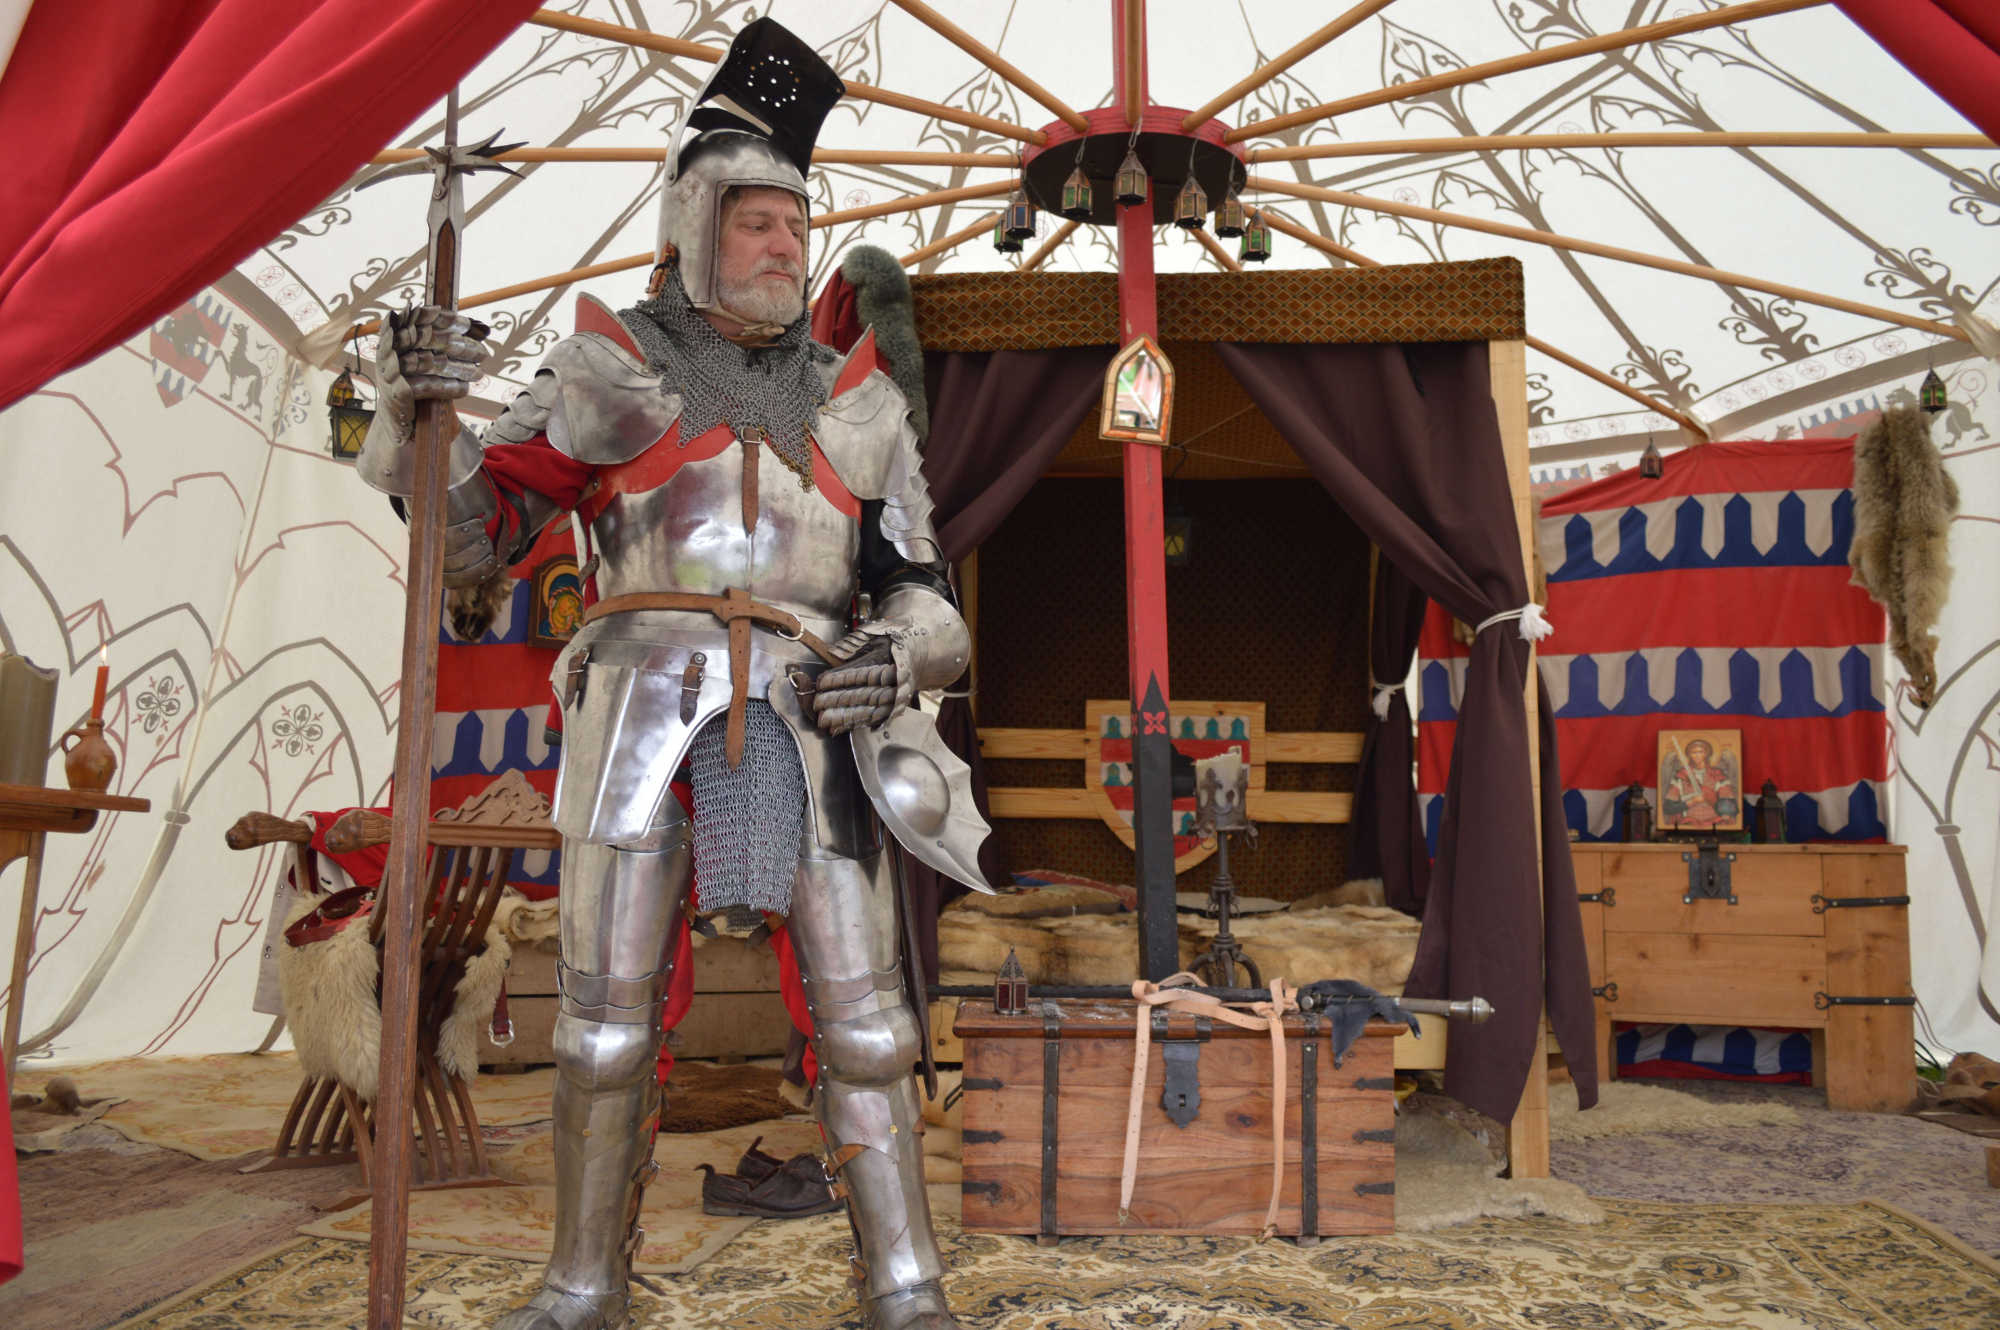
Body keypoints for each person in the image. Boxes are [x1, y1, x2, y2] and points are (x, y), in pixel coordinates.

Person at [354, 20, 981, 1330]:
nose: (785, 245)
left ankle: (905, 1283)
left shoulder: (862, 403)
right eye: (755, 221)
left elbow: (928, 598)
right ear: (692, 224)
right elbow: (469, 541)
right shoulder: (608, 369)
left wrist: (893, 651)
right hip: (639, 704)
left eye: (796, 223)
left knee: (868, 1029)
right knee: (602, 1028)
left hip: (813, 713)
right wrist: (420, 418)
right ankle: (583, 1285)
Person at [1662, 738, 1738, 829]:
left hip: (1715, 823)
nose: (1697, 755)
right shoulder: (1681, 776)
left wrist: (1725, 811)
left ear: (1706, 754)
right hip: (1688, 823)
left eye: (1701, 752)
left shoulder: (1717, 775)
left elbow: (1728, 802)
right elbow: (1668, 807)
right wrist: (1692, 801)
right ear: (1689, 755)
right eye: (1694, 752)